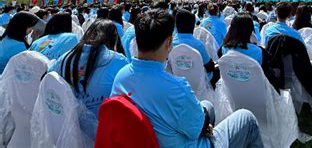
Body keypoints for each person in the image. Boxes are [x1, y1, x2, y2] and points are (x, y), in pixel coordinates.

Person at [111, 10, 263, 147]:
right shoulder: (176, 87)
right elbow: (196, 129)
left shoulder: (121, 76)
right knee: (246, 118)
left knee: (207, 106)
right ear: (169, 42)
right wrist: (204, 126)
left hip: (145, 140)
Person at [50, 19, 128, 116]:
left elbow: (48, 80)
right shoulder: (118, 60)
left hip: (68, 124)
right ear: (113, 39)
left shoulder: (66, 57)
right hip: (102, 125)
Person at [173, 9, 215, 80]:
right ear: (193, 26)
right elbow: (209, 66)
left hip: (176, 81)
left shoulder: (170, 44)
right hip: (197, 83)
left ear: (176, 25)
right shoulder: (198, 45)